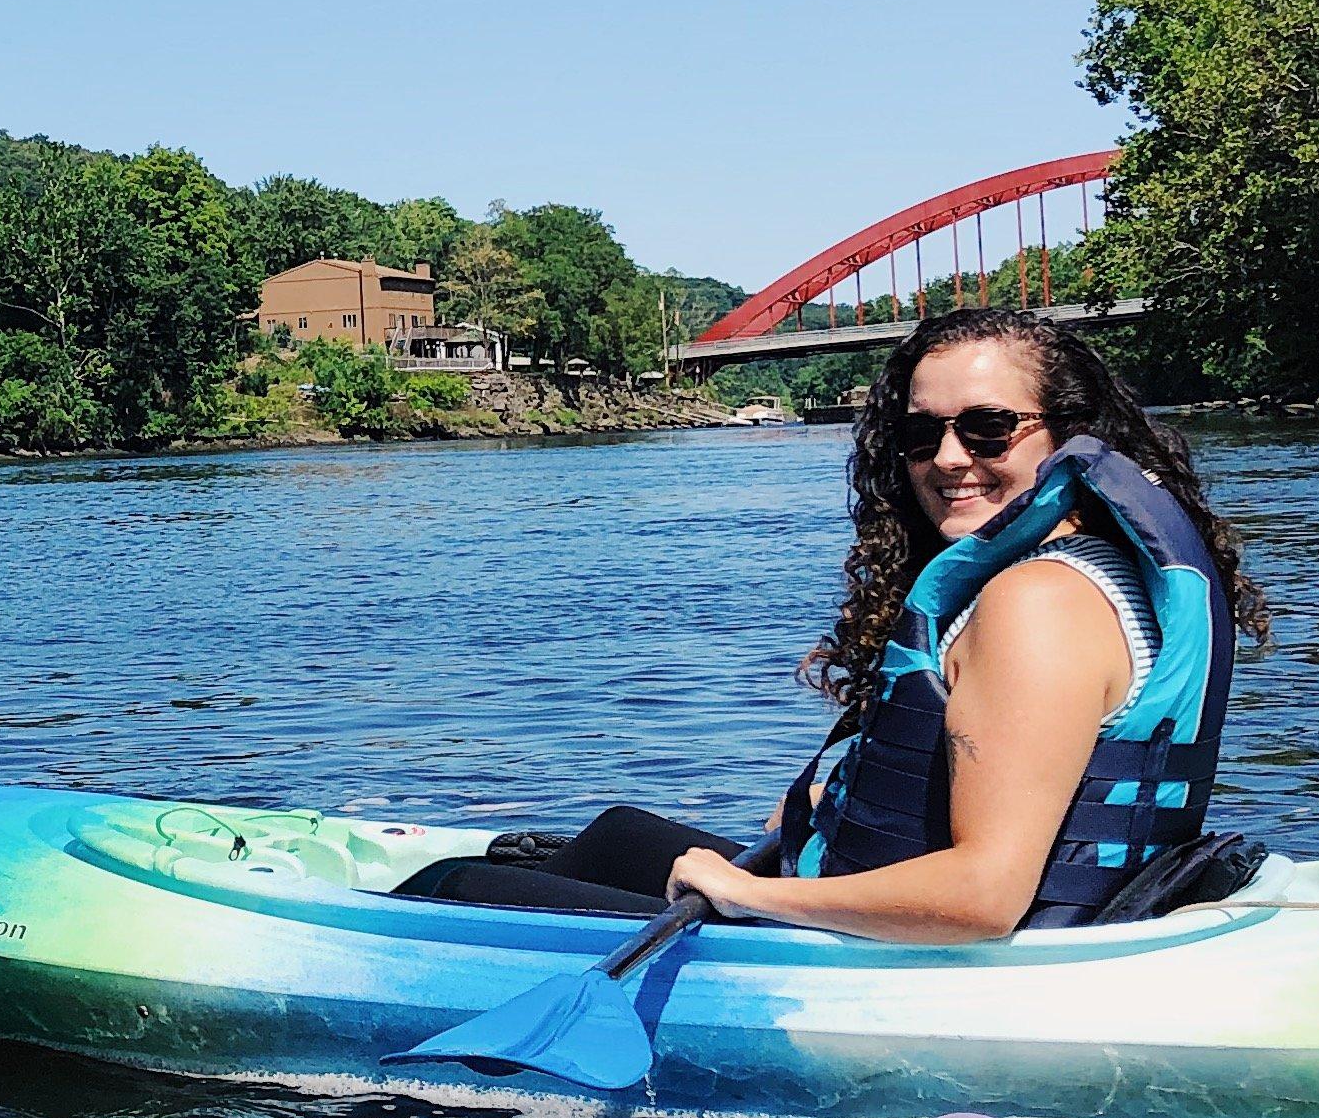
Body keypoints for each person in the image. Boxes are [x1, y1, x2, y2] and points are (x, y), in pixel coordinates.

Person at [422, 309, 1269, 938]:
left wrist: (748, 893)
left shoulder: (1037, 603)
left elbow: (985, 897)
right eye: (921, 433)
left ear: (1070, 435)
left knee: (455, 890)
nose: (949, 458)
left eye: (989, 429)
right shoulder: (1094, 564)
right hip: (953, 908)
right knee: (616, 837)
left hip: (935, 957)